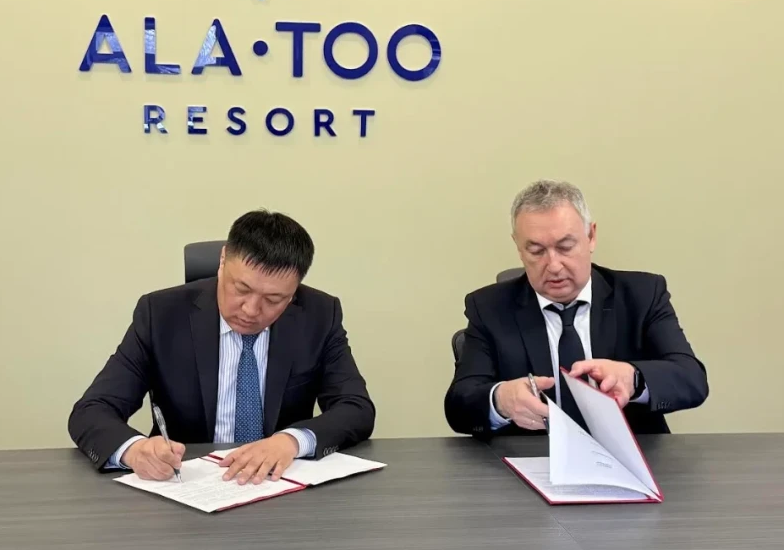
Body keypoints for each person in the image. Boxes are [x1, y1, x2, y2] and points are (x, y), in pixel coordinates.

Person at [68, 210, 375, 485]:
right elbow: (92, 410)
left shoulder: (319, 315)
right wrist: (135, 451)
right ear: (222, 260)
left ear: (294, 291)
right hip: (186, 486)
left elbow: (356, 408)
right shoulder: (160, 315)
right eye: (241, 288)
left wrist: (291, 441)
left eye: (273, 299)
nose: (251, 310)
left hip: (277, 486)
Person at [444, 180, 708, 437]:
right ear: (519, 248)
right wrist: (499, 400)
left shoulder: (642, 295)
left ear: (591, 236)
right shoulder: (489, 308)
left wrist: (634, 378)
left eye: (565, 247)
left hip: (632, 456)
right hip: (535, 457)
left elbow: (692, 379)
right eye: (536, 251)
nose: (554, 265)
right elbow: (459, 405)